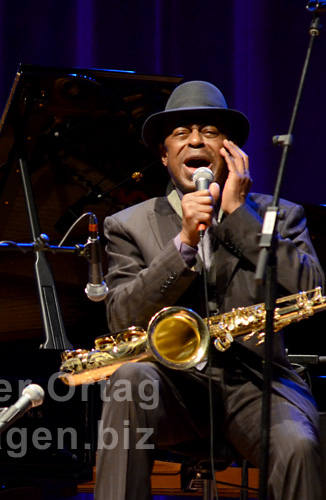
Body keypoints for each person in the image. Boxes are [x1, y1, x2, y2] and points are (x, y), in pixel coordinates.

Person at [94, 81, 324, 499]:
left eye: (209, 131)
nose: (196, 139)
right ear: (164, 155)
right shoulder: (127, 225)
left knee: (300, 446)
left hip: (256, 384)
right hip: (171, 386)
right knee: (128, 379)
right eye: (181, 133)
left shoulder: (279, 215)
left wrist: (240, 219)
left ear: (228, 151)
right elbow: (120, 317)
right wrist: (181, 242)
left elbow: (312, 288)